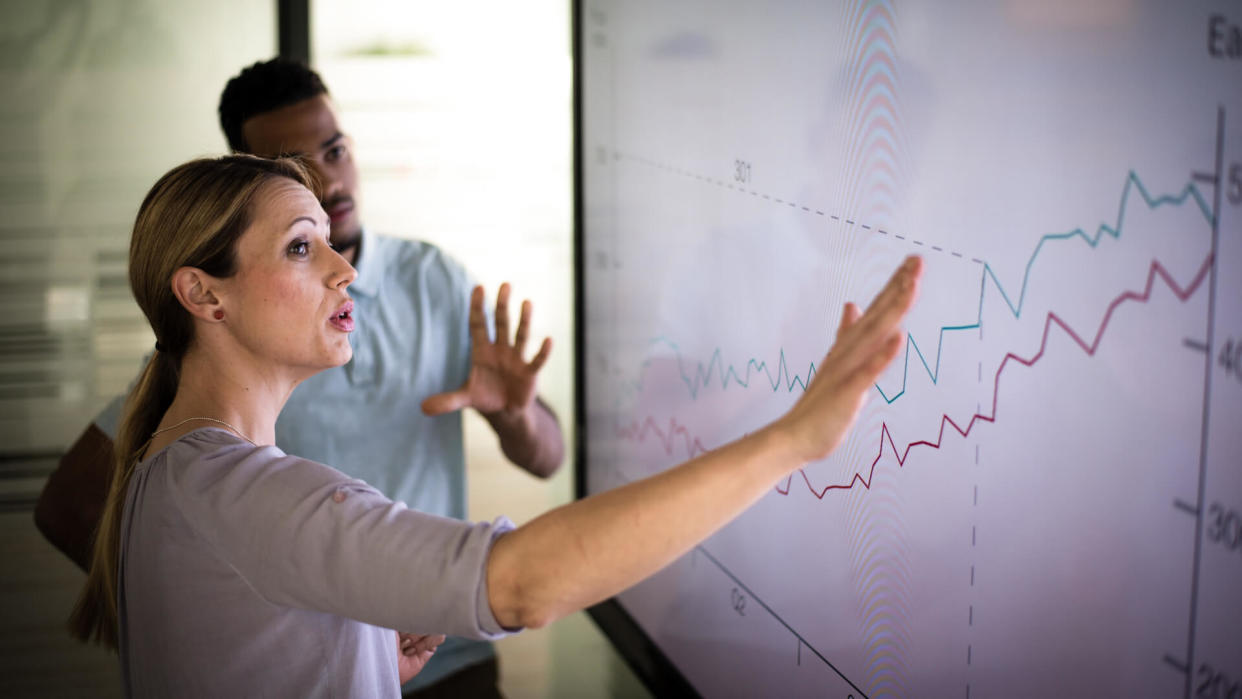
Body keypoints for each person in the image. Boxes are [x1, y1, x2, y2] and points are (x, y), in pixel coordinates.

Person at [68, 153, 922, 698]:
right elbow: (520, 585)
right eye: (301, 247)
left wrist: (361, 661)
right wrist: (788, 440)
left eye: (330, 240)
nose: (344, 269)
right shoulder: (243, 492)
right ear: (202, 293)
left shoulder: (170, 471)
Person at [34, 58, 564, 695]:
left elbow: (548, 458)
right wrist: (242, 639)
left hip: (429, 655)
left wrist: (513, 414)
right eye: (298, 244)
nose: (331, 181)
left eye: (336, 150)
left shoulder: (435, 281)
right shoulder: (220, 431)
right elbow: (522, 583)